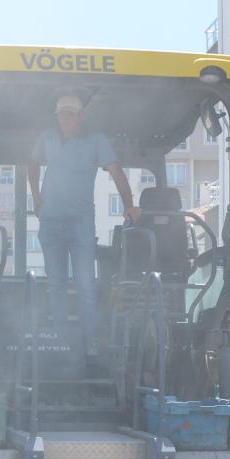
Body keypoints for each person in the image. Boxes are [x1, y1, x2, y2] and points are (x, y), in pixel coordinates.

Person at [25, 93, 137, 343]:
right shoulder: (47, 138)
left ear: (80, 117)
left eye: (70, 113)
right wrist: (36, 197)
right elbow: (32, 164)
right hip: (50, 221)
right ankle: (62, 344)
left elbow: (116, 173)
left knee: (85, 284)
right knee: (56, 284)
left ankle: (88, 345)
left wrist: (130, 205)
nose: (65, 118)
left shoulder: (96, 141)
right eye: (61, 114)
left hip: (81, 223)